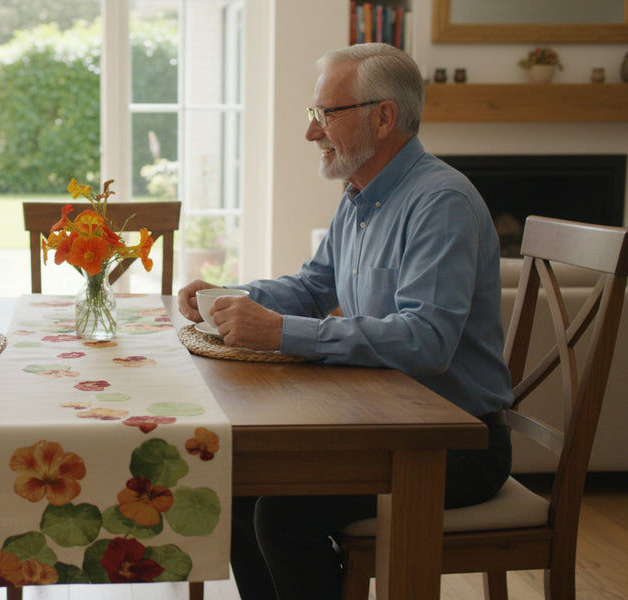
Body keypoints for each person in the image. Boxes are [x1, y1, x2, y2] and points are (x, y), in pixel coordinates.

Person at [178, 43, 514, 600]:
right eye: (315, 115)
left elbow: (427, 341)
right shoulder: (360, 195)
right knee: (235, 487)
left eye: (325, 115)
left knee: (281, 517)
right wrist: (230, 297)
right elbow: (313, 286)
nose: (312, 132)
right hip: (383, 425)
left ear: (384, 118)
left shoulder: (441, 202)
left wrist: (281, 332)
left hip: (453, 447)